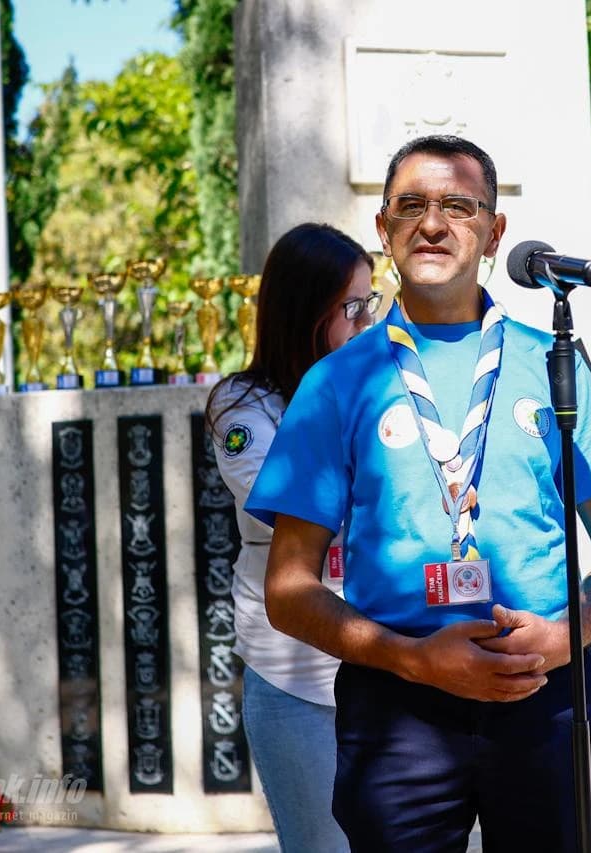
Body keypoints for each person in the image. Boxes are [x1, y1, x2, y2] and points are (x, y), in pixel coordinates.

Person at [246, 135, 591, 851]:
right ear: (384, 230)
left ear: (494, 232)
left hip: (547, 695)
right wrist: (413, 657)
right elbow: (286, 589)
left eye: (458, 206)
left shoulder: (552, 364)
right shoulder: (337, 384)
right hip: (398, 713)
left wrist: (564, 637)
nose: (432, 223)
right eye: (411, 205)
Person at [205, 222, 376, 853]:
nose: (365, 322)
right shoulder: (242, 408)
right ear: (306, 310)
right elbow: (299, 510)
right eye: (350, 308)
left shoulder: (378, 389)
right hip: (294, 678)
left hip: (387, 658)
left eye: (370, 302)